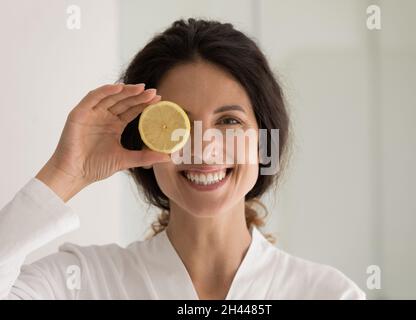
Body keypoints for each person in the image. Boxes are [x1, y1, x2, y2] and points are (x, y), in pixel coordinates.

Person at [0, 18, 366, 300]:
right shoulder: (81, 282)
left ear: (263, 141)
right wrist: (65, 173)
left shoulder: (329, 293)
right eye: (179, 124)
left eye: (228, 121)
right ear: (144, 141)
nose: (204, 149)